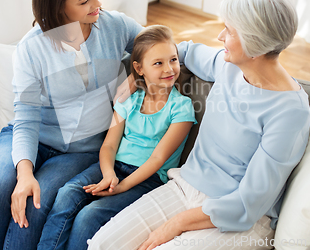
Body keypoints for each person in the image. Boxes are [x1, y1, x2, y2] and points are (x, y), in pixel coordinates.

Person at [88, 0, 310, 250]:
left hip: (240, 217)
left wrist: (176, 224)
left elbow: (249, 204)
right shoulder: (228, 66)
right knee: (103, 244)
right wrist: (133, 79)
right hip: (185, 186)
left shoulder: (289, 113)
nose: (220, 37)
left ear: (255, 44)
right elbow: (180, 51)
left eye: (229, 31)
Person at [0, 0, 145, 250]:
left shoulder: (115, 26)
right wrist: (24, 172)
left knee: (35, 205)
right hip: (31, 136)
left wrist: (136, 77)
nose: (98, 5)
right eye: (84, 1)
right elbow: (26, 116)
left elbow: (161, 48)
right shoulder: (31, 49)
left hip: (80, 150)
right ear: (56, 8)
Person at [37, 25, 197, 250]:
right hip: (114, 167)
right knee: (67, 194)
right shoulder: (128, 100)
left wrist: (122, 186)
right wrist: (109, 174)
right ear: (139, 68)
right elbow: (109, 145)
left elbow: (157, 159)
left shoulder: (181, 108)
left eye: (173, 60)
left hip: (147, 180)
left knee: (89, 216)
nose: (169, 68)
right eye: (158, 63)